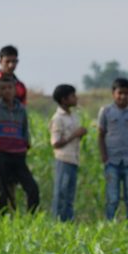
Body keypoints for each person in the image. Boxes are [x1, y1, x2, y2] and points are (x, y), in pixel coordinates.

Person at [0, 45, 29, 211]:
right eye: (7, 61)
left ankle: (9, 210)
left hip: (12, 141)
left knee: (10, 179)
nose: (11, 65)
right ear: (0, 61)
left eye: (14, 61)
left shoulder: (20, 87)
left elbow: (21, 114)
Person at [0, 75, 38, 213]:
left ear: (15, 90)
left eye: (10, 88)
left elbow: (24, 130)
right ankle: (3, 220)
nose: (7, 91)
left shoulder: (21, 110)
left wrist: (25, 146)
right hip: (1, 155)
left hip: (19, 156)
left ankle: (31, 218)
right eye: (3, 88)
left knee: (32, 188)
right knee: (2, 191)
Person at [97, 78, 128, 228]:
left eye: (126, 93)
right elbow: (101, 134)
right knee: (112, 198)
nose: (123, 96)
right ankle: (111, 227)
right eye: (120, 93)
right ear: (113, 94)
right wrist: (104, 156)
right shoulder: (106, 111)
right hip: (112, 162)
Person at [49, 84, 87, 222]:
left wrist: (79, 134)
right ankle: (57, 222)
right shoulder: (58, 118)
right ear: (64, 100)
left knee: (69, 194)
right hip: (63, 159)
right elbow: (55, 143)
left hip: (73, 158)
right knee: (61, 193)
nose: (76, 98)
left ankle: (68, 221)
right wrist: (75, 134)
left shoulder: (73, 116)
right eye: (72, 96)